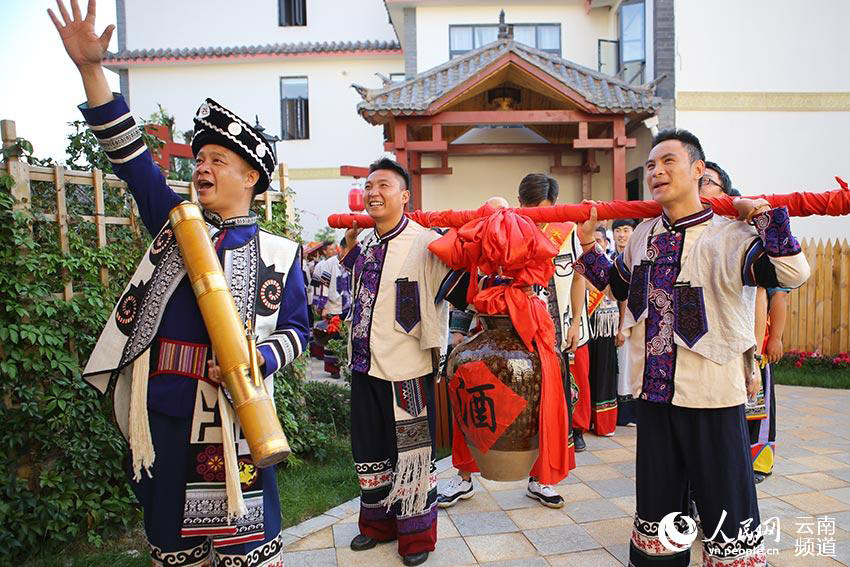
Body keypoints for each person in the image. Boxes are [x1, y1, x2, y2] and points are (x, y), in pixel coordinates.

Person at [49, 2, 310, 564]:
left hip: (239, 413)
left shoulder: (281, 256)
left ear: (252, 178)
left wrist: (257, 357)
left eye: (218, 159)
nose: (203, 168)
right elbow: (133, 161)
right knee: (174, 540)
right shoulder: (177, 224)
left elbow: (298, 331)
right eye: (200, 159)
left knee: (246, 539)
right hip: (167, 408)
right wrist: (93, 72)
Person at [574, 129, 809, 566]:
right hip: (656, 395)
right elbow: (619, 286)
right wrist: (589, 243)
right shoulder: (643, 234)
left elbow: (791, 274)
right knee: (658, 508)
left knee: (726, 509)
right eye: (650, 166)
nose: (656, 172)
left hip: (713, 396)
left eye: (668, 162)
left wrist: (760, 215)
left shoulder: (731, 235)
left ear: (698, 171)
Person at [338, 158, 469, 566]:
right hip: (365, 364)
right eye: (369, 186)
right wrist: (347, 250)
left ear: (405, 196)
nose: (374, 193)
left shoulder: (427, 241)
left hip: (408, 370)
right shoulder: (369, 245)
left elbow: (462, 289)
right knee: (370, 449)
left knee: (411, 454)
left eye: (384, 186)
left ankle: (416, 539)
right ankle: (377, 526)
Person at [438, 186, 575, 510]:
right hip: (485, 334)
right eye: (487, 217)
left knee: (545, 405)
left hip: (531, 335)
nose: (495, 224)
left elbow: (554, 287)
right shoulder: (477, 252)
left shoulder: (530, 243)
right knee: (469, 397)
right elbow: (464, 297)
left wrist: (570, 325)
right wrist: (458, 334)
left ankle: (540, 478)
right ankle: (463, 476)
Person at [748, 287, 788, 483]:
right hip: (735, 350)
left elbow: (779, 295)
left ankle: (759, 462)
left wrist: (775, 338)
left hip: (760, 353)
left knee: (759, 413)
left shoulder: (767, 263)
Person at [586, 228, 620, 436]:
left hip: (607, 327)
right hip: (586, 325)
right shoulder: (580, 265)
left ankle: (604, 423)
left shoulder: (613, 265)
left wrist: (623, 327)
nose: (596, 244)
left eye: (599, 240)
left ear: (606, 243)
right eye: (592, 241)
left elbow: (622, 297)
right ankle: (585, 419)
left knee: (605, 374)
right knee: (586, 373)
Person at [611, 219, 638, 427]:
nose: (621, 235)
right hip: (608, 322)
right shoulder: (610, 257)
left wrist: (623, 326)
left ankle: (630, 412)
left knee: (630, 366)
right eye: (618, 230)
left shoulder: (636, 256)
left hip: (633, 320)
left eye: (626, 230)